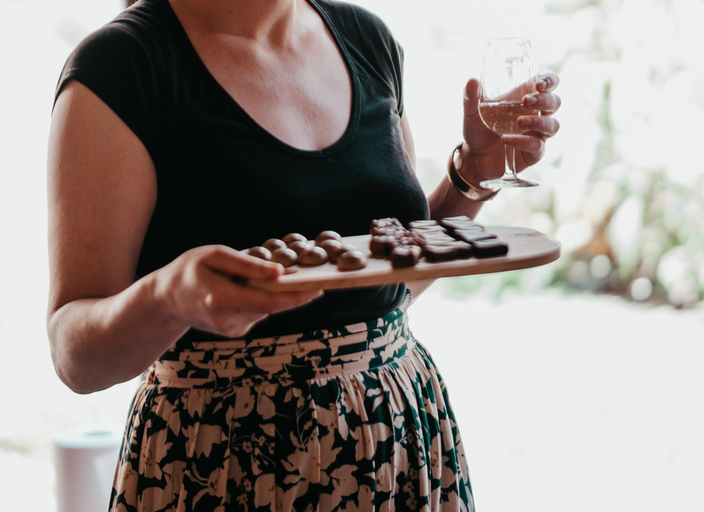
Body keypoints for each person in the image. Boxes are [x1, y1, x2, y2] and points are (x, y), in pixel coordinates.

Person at [46, 0, 561, 510]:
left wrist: (472, 174)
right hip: (224, 462)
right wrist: (169, 299)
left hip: (400, 441)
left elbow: (387, 282)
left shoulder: (368, 40)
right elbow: (76, 359)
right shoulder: (118, 68)